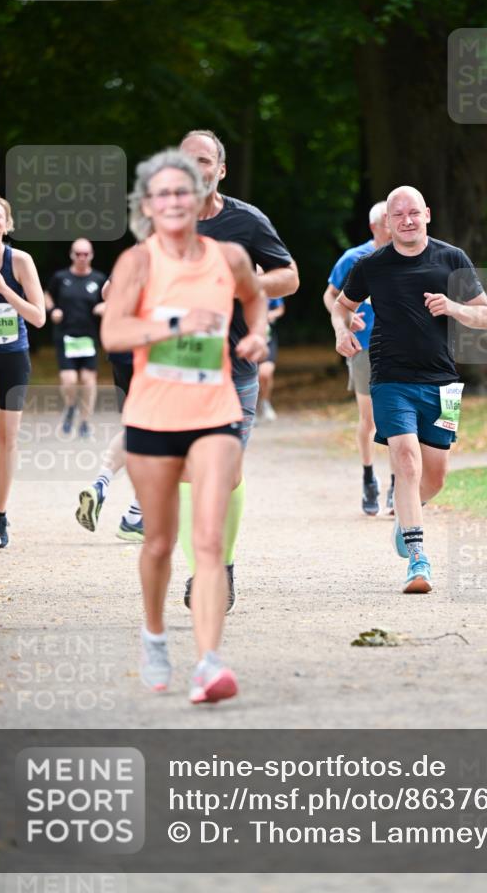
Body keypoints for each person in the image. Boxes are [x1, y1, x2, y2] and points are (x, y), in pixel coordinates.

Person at [101, 148, 268, 703]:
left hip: (215, 412)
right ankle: (154, 636)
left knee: (208, 540)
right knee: (158, 543)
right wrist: (172, 323)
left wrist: (258, 334)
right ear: (148, 205)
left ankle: (209, 663)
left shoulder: (230, 257)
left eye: (183, 191)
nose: (174, 200)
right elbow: (116, 336)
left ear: (200, 199)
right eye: (163, 193)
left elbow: (256, 296)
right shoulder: (138, 263)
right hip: (152, 416)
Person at [331, 186, 487, 594]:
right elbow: (341, 304)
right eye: (397, 214)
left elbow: (485, 316)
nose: (406, 219)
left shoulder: (451, 258)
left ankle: (408, 517)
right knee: (406, 459)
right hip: (389, 377)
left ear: (427, 214)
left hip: (443, 381)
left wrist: (453, 307)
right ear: (387, 222)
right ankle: (419, 560)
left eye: (413, 212)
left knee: (434, 477)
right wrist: (341, 330)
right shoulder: (372, 265)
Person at [178, 129, 299, 613]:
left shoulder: (247, 222)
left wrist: (242, 282)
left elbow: (290, 276)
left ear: (220, 170)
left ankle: (221, 565)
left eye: (204, 160)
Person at [0, 194, 46, 547]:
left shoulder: (20, 261)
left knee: (7, 439)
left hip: (14, 356)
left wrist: (3, 290)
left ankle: (2, 512)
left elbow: (38, 316)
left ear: (7, 224)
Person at [323, 201, 394, 515]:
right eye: (387, 222)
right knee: (370, 419)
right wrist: (345, 320)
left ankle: (397, 485)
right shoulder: (354, 258)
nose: (394, 228)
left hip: (398, 347)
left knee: (396, 418)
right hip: (363, 347)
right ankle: (369, 478)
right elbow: (330, 296)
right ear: (374, 226)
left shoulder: (405, 256)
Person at [75, 279, 144, 542]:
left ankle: (100, 484)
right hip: (150, 350)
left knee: (134, 426)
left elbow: (107, 291)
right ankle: (135, 518)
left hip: (122, 350)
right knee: (160, 432)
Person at [44, 239, 106, 438]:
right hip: (66, 335)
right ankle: (70, 407)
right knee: (69, 379)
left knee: (88, 380)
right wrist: (53, 310)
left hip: (89, 336)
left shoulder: (98, 279)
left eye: (85, 254)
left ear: (92, 255)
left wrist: (102, 307)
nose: (81, 257)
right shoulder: (61, 277)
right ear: (71, 255)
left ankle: (85, 421)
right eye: (78, 254)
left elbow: (112, 300)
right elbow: (47, 295)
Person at [257, 295, 285, 422]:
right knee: (251, 374)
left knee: (265, 373)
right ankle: (250, 407)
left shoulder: (270, 287)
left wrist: (270, 314)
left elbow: (280, 309)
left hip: (267, 337)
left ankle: (265, 402)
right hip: (246, 336)